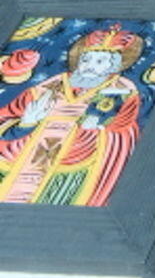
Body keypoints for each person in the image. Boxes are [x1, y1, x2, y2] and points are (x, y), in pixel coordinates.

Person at [0, 27, 144, 207]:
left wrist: (98, 128)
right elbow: (8, 116)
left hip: (77, 160)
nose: (89, 66)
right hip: (25, 154)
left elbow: (123, 129)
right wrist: (27, 122)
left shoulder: (123, 89)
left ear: (114, 66)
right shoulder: (50, 85)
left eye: (100, 61)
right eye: (85, 59)